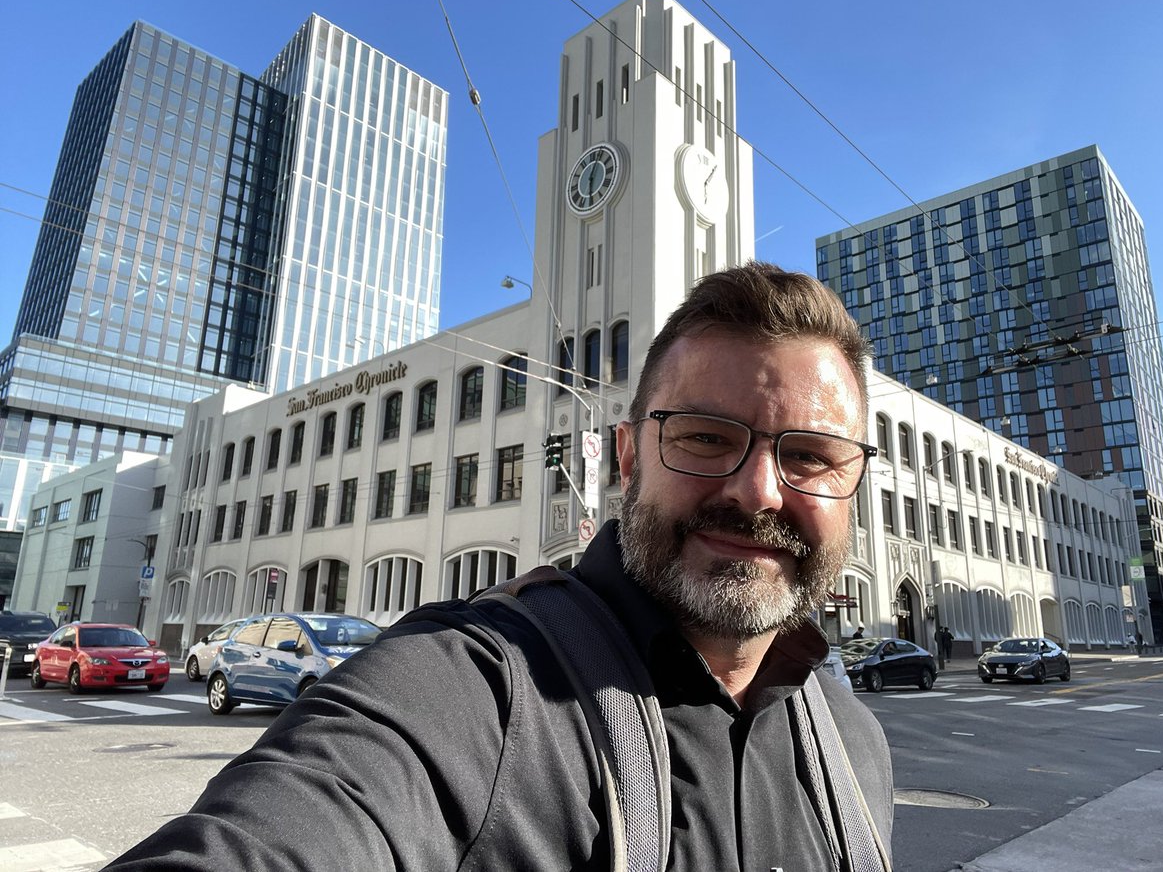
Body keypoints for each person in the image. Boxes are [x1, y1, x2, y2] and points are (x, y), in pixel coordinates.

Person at [107, 262, 893, 870]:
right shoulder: (468, 690)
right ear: (626, 457)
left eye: (813, 457)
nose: (757, 490)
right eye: (704, 437)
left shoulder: (852, 743)